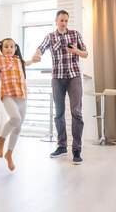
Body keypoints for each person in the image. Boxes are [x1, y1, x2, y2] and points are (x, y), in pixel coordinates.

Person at [32, 10, 88, 165]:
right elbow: (41, 48)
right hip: (57, 78)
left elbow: (85, 54)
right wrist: (37, 55)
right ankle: (61, 146)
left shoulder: (75, 34)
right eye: (61, 20)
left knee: (76, 112)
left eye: (66, 20)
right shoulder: (51, 37)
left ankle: (77, 149)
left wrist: (76, 50)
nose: (64, 23)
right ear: (56, 21)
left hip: (74, 76)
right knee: (59, 113)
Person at [0, 23, 33, 171]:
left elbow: (29, 62)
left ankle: (9, 154)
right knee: (15, 119)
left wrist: (35, 59)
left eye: (12, 46)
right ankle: (1, 139)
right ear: (1, 49)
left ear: (15, 49)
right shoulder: (0, 59)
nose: (9, 48)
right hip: (8, 95)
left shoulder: (19, 61)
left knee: (18, 128)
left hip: (22, 97)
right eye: (6, 46)